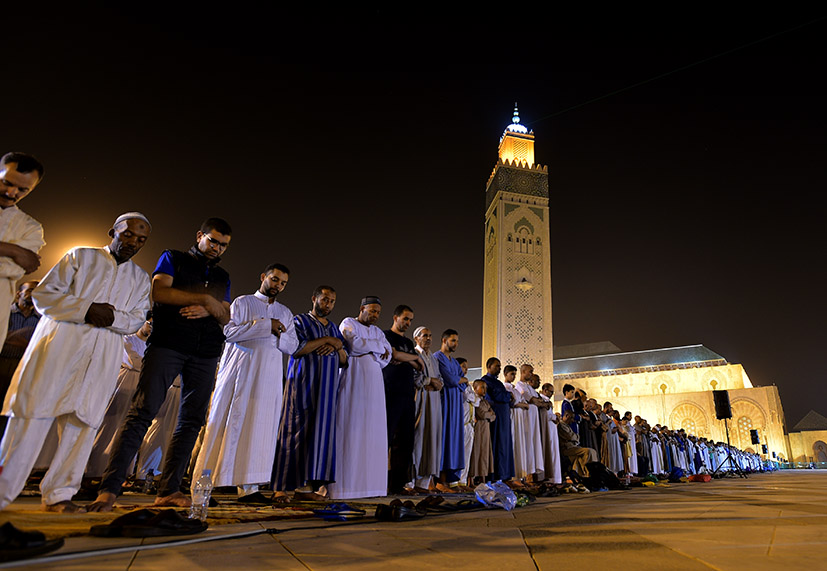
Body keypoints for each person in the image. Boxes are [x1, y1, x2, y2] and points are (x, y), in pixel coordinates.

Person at [0, 213, 152, 512]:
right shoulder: (80, 256)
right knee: (31, 418)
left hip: (100, 359)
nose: (133, 242)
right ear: (113, 232)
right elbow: (45, 296)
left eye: (141, 239)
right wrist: (86, 309)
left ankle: (59, 495)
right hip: (59, 350)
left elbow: (136, 318)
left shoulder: (140, 278)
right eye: (129, 235)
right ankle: (3, 492)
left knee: (82, 426)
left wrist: (111, 317)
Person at [92, 218, 232, 512]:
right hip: (169, 344)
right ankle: (110, 489)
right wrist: (206, 299)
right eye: (213, 241)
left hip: (206, 353)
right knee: (142, 412)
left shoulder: (223, 276)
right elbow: (160, 292)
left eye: (223, 245)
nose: (217, 248)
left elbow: (226, 315)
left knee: (191, 422)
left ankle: (168, 490)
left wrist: (210, 307)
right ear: (199, 236)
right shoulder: (174, 258)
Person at [193, 263, 299, 499]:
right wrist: (265, 325)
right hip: (240, 374)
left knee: (259, 429)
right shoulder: (242, 302)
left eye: (283, 283)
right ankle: (203, 488)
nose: (278, 286)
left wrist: (279, 331)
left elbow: (292, 346)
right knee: (226, 423)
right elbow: (229, 333)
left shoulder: (285, 312)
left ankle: (249, 488)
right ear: (263, 276)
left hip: (269, 377)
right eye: (274, 279)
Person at [272, 285, 347, 500]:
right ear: (314, 298)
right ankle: (282, 487)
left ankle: (309, 489)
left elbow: (344, 360)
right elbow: (297, 348)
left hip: (326, 392)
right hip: (302, 386)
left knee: (320, 437)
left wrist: (337, 346)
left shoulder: (334, 328)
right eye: (324, 299)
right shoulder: (299, 321)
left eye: (332, 301)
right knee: (293, 432)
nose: (328, 304)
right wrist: (327, 342)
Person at [327, 297, 391, 500]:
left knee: (374, 431)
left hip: (374, 382)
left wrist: (372, 347)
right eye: (372, 311)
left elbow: (387, 355)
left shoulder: (378, 332)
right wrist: (376, 348)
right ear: (362, 308)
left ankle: (373, 486)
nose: (375, 315)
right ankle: (345, 487)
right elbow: (354, 346)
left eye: (378, 313)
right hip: (353, 378)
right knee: (350, 427)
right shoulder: (348, 323)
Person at [0, 153, 45, 350]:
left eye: (22, 189)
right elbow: (11, 264)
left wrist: (19, 256)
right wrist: (13, 250)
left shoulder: (31, 227)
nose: (11, 192)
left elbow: (19, 269)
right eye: (6, 183)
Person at [381, 305, 423, 494]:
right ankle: (380, 481)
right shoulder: (385, 336)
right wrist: (412, 358)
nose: (407, 323)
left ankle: (398, 484)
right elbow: (393, 355)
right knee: (387, 439)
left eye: (410, 320)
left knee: (405, 441)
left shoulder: (406, 342)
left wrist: (407, 357)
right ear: (395, 317)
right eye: (405, 319)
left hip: (408, 395)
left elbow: (420, 366)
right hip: (391, 392)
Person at [0, 281, 40, 437]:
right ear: (19, 293)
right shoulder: (5, 313)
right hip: (2, 361)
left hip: (21, 367)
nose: (33, 294)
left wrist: (12, 338)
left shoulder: (39, 320)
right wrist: (17, 338)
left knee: (10, 409)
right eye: (29, 290)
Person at [411, 326, 443, 492]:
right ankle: (410, 482)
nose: (428, 338)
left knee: (432, 439)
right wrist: (428, 381)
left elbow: (440, 379)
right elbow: (414, 378)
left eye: (430, 335)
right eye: (425, 336)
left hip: (434, 401)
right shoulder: (414, 354)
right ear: (416, 338)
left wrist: (436, 383)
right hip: (421, 400)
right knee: (418, 438)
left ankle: (423, 483)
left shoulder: (433, 357)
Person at [434, 329, 467, 490]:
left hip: (456, 405)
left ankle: (451, 480)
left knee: (454, 441)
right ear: (444, 340)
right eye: (453, 341)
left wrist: (459, 381)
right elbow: (450, 380)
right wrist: (459, 381)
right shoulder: (437, 357)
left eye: (457, 341)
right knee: (444, 439)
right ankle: (440, 481)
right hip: (444, 403)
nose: (456, 344)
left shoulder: (454, 362)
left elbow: (462, 382)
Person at [481, 357, 514, 482]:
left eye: (500, 366)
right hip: (497, 417)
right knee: (498, 445)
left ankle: (505, 475)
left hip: (504, 417)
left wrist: (506, 396)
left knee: (505, 445)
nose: (499, 369)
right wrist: (507, 396)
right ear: (489, 367)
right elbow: (494, 397)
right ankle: (496, 475)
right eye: (496, 366)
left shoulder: (498, 382)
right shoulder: (485, 381)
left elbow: (504, 396)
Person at [468, 379, 495, 484]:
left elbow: (493, 416)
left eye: (485, 388)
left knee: (485, 453)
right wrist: (488, 414)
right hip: (478, 428)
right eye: (482, 387)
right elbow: (482, 415)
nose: (484, 390)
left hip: (486, 429)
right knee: (476, 452)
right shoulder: (475, 401)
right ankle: (471, 479)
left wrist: (489, 415)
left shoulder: (485, 402)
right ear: (475, 388)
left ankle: (483, 478)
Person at [557, 410, 598, 478]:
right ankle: (587, 473)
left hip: (573, 447)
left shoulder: (566, 425)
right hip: (567, 449)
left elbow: (574, 437)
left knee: (592, 451)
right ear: (567, 416)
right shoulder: (561, 425)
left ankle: (590, 474)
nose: (573, 420)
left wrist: (574, 437)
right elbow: (570, 436)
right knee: (588, 451)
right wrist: (575, 437)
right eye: (572, 418)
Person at [538, 381, 562, 484]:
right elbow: (545, 415)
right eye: (550, 392)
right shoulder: (541, 400)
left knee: (554, 453)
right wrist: (554, 417)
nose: (552, 394)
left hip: (552, 429)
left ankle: (555, 479)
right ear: (545, 390)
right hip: (546, 428)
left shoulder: (547, 401)